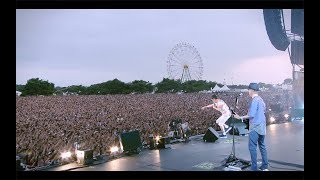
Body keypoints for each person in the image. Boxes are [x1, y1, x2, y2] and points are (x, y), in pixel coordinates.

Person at [234, 83, 269, 171]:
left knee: (252, 147)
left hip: (255, 126)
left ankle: (254, 168)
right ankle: (265, 166)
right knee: (262, 145)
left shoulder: (254, 100)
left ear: (252, 90)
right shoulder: (261, 100)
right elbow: (263, 110)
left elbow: (251, 115)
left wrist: (240, 117)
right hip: (262, 126)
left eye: (249, 90)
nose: (248, 92)